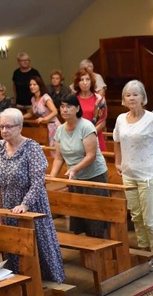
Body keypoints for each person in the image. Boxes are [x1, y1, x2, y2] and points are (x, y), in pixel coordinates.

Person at [0, 108, 65, 283]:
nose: (4, 131)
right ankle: (18, 278)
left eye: (8, 127)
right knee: (13, 243)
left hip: (33, 205)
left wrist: (25, 204)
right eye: (1, 127)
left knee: (39, 244)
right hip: (8, 203)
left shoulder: (32, 148)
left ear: (20, 127)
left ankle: (48, 281)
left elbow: (38, 182)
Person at [113, 80, 153, 272]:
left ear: (143, 98)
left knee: (149, 217)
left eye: (135, 94)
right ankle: (144, 251)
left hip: (150, 174)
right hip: (129, 174)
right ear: (123, 99)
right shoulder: (120, 119)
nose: (131, 98)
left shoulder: (152, 119)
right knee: (136, 216)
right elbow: (116, 140)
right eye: (128, 95)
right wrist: (118, 162)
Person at [49, 94, 108, 238]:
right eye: (62, 107)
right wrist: (52, 176)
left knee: (95, 218)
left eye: (69, 106)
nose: (65, 110)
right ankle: (85, 251)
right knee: (79, 216)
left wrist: (74, 168)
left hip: (94, 176)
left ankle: (101, 249)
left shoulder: (86, 126)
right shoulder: (60, 130)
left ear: (77, 108)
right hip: (75, 178)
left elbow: (91, 155)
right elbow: (58, 157)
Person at [73, 67, 107, 152]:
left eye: (87, 79)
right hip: (78, 138)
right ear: (77, 83)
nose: (85, 83)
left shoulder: (99, 99)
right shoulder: (73, 100)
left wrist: (90, 134)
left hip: (96, 136)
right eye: (81, 80)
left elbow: (102, 122)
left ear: (91, 81)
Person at [22, 76, 60, 148]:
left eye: (34, 84)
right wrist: (21, 117)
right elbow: (31, 113)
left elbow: (55, 111)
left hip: (53, 126)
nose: (32, 87)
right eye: (30, 85)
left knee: (54, 149)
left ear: (39, 85)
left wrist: (44, 119)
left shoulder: (45, 97)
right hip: (44, 126)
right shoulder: (33, 99)